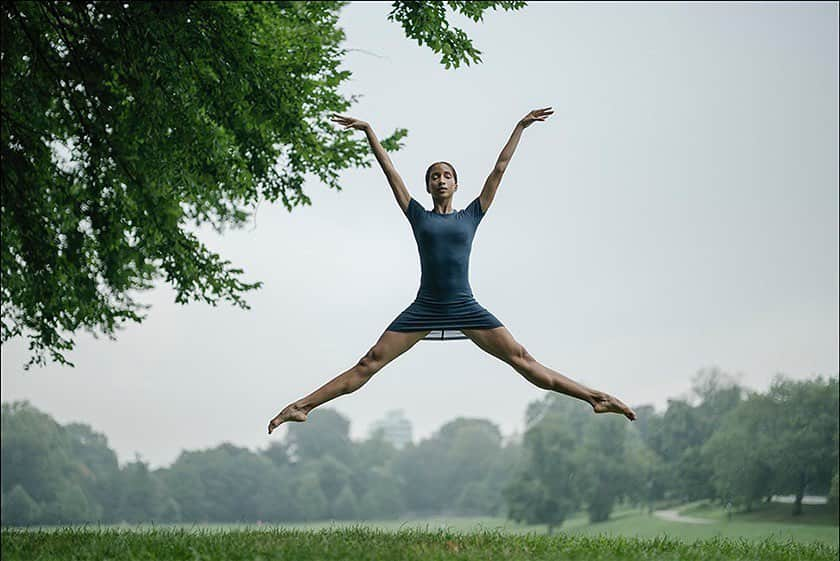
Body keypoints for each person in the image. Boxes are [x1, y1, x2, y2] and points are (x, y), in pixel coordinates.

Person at [268, 107, 636, 435]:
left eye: (446, 175)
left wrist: (520, 127)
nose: (440, 180)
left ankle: (595, 398)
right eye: (434, 176)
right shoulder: (417, 215)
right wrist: (368, 132)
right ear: (428, 186)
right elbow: (390, 171)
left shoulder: (472, 214)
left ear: (456, 184)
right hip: (425, 306)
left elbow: (499, 169)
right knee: (368, 363)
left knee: (522, 359)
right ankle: (301, 407)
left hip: (464, 305)